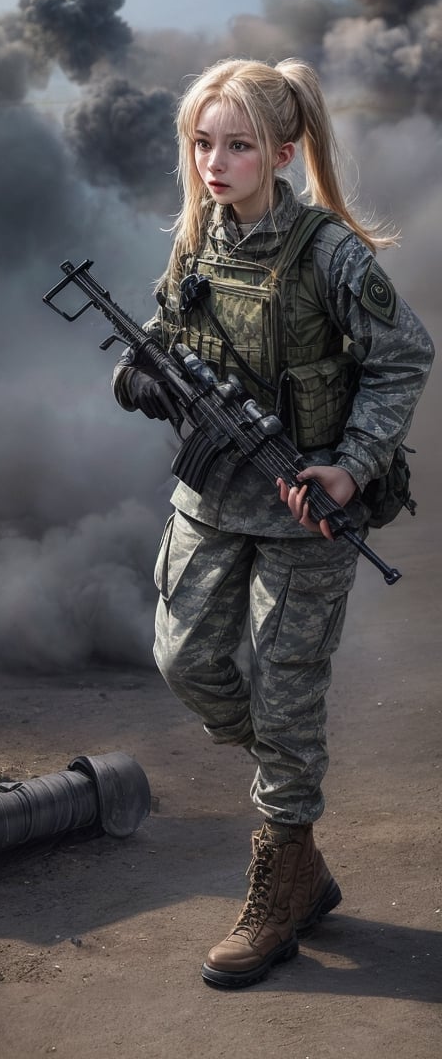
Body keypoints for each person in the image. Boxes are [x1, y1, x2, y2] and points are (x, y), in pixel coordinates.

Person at [112, 57, 435, 989]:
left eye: (239, 145)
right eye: (203, 144)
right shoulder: (195, 243)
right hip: (211, 503)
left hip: (305, 520)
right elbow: (155, 342)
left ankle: (283, 862)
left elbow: (403, 357)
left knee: (288, 695)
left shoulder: (327, 254)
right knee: (187, 662)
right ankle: (295, 823)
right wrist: (140, 380)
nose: (216, 162)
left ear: (284, 152)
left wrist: (353, 465)